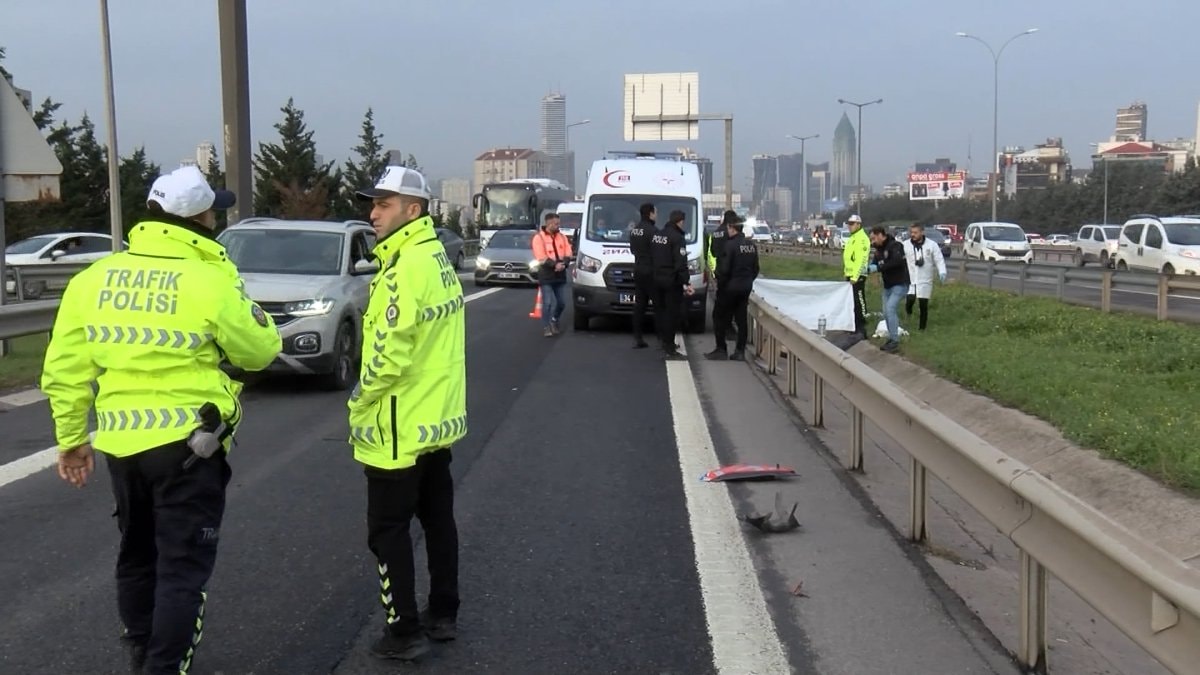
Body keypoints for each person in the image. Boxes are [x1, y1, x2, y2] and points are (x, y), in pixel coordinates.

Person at [41, 165, 281, 675]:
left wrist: (70, 440)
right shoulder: (208, 276)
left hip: (122, 448)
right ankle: (163, 666)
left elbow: (64, 370)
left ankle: (141, 653)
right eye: (212, 208)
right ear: (199, 217)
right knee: (181, 568)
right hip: (189, 446)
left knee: (136, 554)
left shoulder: (94, 279)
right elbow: (259, 352)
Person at [352, 165, 467, 662]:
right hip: (434, 421)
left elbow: (388, 356)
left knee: (387, 530)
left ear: (412, 210)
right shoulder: (434, 256)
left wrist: (358, 399)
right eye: (373, 204)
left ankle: (403, 631)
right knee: (438, 519)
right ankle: (443, 612)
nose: (373, 213)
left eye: (384, 204)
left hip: (397, 424)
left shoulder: (403, 268)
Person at [706, 216, 760, 361]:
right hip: (745, 287)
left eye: (728, 228)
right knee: (741, 319)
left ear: (732, 228)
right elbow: (756, 269)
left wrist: (720, 283)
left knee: (719, 316)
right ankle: (740, 351)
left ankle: (721, 349)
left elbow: (724, 270)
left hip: (729, 288)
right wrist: (747, 281)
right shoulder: (751, 246)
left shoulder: (729, 246)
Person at [650, 210, 694, 359]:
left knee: (661, 312)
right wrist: (686, 282)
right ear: (680, 221)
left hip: (656, 279)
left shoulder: (658, 235)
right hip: (671, 280)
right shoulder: (678, 238)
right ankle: (670, 347)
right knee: (671, 314)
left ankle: (663, 341)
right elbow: (681, 263)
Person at [868, 225, 910, 352]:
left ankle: (895, 340)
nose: (873, 242)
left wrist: (879, 268)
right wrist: (869, 268)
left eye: (874, 238)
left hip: (900, 283)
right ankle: (891, 339)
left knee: (891, 309)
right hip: (887, 286)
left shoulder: (895, 246)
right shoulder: (878, 250)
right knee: (886, 312)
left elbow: (897, 262)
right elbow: (875, 263)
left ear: (881, 235)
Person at [531, 212, 573, 337]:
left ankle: (554, 319)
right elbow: (541, 257)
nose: (558, 226)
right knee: (547, 303)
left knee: (561, 303)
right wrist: (555, 265)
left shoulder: (562, 237)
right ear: (549, 224)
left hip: (560, 275)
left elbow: (568, 252)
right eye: (556, 223)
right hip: (547, 275)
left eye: (558, 223)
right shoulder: (539, 238)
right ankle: (546, 326)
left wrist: (564, 264)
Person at [903, 223, 947, 330]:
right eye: (911, 232)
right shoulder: (905, 245)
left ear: (922, 232)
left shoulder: (931, 245)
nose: (913, 235)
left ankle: (922, 328)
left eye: (915, 232)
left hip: (925, 279)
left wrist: (942, 271)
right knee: (910, 300)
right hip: (911, 278)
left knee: (923, 304)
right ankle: (908, 314)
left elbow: (939, 259)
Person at [628, 202, 656, 349]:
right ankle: (664, 340)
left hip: (638, 269)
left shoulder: (634, 231)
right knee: (659, 306)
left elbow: (633, 250)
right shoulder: (653, 231)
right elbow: (658, 252)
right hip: (651, 271)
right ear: (650, 213)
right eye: (655, 212)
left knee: (639, 306)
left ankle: (637, 338)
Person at [841, 214, 871, 339]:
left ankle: (861, 327)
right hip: (850, 275)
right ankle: (854, 326)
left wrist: (855, 276)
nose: (850, 226)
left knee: (859, 301)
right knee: (852, 302)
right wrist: (847, 273)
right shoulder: (853, 238)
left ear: (858, 224)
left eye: (852, 224)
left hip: (857, 276)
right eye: (849, 224)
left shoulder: (862, 239)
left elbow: (861, 260)